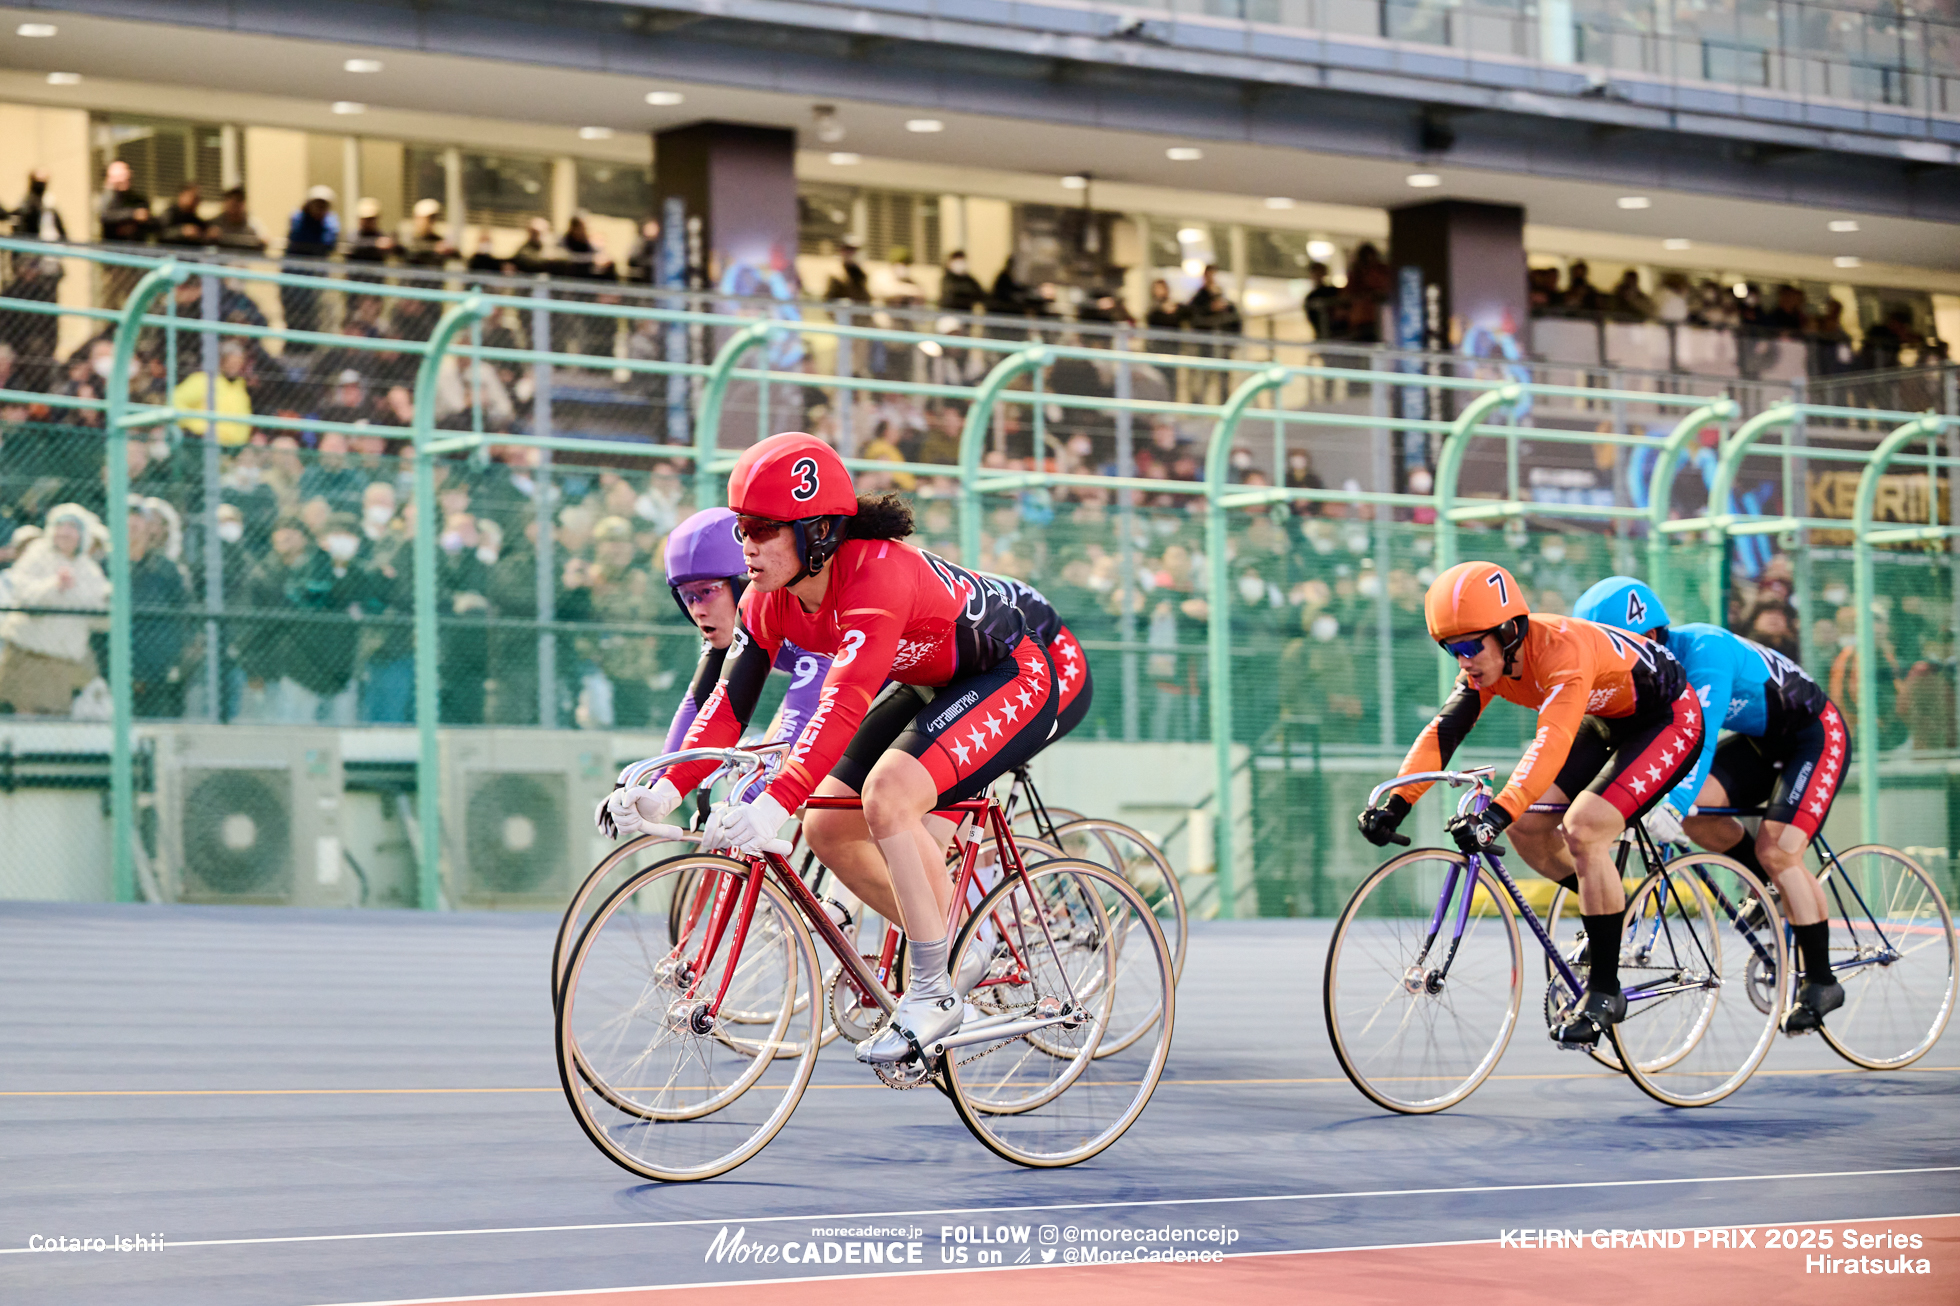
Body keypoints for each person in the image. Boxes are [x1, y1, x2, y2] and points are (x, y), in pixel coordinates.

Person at [599, 433, 1076, 1066]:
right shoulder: (767, 600)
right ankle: (965, 946)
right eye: (742, 527)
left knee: (889, 797)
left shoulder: (876, 575)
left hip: (1026, 668)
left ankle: (933, 989)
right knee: (826, 823)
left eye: (765, 529)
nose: (747, 544)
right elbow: (725, 708)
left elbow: (840, 706)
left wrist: (770, 808)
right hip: (937, 681)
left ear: (819, 532)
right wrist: (663, 790)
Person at [1357, 561, 1704, 1045]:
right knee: (1527, 830)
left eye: (1469, 646)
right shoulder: (1488, 666)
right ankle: (1606, 911)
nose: (1463, 660)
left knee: (1584, 827)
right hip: (1603, 713)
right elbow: (1444, 731)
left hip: (1668, 718)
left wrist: (1496, 813)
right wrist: (1396, 804)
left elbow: (1552, 740)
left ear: (1508, 631)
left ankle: (1606, 991)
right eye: (1451, 650)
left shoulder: (1560, 652)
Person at [1573, 577, 1849, 1031]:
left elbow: (1699, 736)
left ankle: (1821, 980)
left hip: (1815, 735)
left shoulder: (1705, 649)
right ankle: (1765, 887)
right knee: (1700, 816)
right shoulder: (1655, 665)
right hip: (1761, 741)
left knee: (1779, 850)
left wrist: (1671, 804)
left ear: (1653, 637)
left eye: (1621, 648)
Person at [599, 507, 835, 830]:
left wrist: (747, 801)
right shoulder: (730, 631)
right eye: (687, 597)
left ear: (743, 583)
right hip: (830, 699)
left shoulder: (793, 614)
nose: (698, 610)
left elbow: (805, 713)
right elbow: (699, 709)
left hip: (881, 689)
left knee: (827, 826)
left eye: (707, 592)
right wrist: (655, 787)